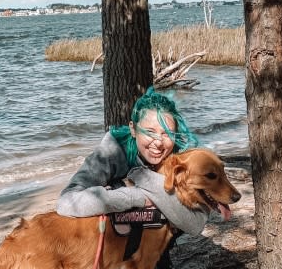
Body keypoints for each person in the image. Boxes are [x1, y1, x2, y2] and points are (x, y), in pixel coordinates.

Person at [57, 87, 207, 239]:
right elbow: (66, 203)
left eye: (167, 134)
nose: (159, 142)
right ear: (133, 129)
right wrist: (138, 197)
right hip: (109, 239)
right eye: (150, 132)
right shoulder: (112, 151)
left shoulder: (179, 154)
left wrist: (153, 191)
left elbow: (196, 223)